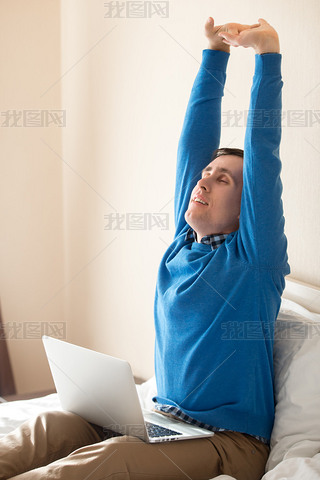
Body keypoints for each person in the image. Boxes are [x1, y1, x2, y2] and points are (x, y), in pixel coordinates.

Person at [0, 16, 290, 480]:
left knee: (113, 458)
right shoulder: (183, 243)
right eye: (205, 173)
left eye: (223, 179)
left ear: (247, 204)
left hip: (229, 443)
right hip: (163, 421)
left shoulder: (253, 261)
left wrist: (267, 54)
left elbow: (264, 152)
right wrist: (215, 54)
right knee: (54, 425)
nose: (204, 180)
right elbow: (193, 139)